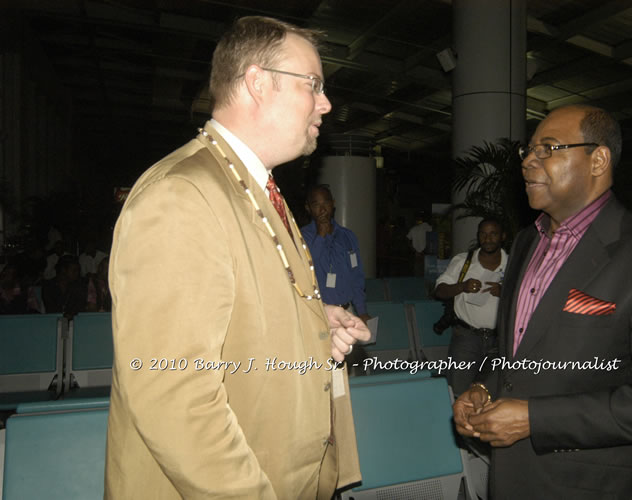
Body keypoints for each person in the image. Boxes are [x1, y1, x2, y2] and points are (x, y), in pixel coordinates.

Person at [105, 16, 370, 499]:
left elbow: (242, 309)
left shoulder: (256, 189)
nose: (326, 103)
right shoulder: (182, 195)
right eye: (314, 84)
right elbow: (174, 395)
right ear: (257, 83)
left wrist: (310, 325)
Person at [453, 105, 632, 499]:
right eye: (529, 150)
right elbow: (519, 352)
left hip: (593, 485)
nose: (528, 163)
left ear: (598, 160)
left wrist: (535, 419)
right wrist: (484, 389)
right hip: (512, 477)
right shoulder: (526, 242)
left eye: (549, 148)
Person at [434, 218, 508, 395]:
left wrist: (505, 292)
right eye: (483, 234)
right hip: (466, 338)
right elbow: (439, 291)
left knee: (493, 395)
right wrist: (462, 286)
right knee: (459, 392)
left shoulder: (512, 263)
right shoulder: (463, 261)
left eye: (493, 234)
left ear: (502, 237)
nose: (487, 238)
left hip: (499, 341)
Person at [302, 185, 370, 322]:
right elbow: (305, 269)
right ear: (308, 208)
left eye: (326, 202)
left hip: (347, 311)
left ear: (333, 203)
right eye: (316, 204)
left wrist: (361, 311)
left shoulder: (347, 236)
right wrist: (320, 237)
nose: (322, 209)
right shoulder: (302, 236)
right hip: (320, 314)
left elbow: (356, 275)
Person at [407, 211, 432, 276]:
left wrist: (414, 250)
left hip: (416, 253)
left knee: (417, 272)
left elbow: (408, 240)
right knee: (425, 272)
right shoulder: (426, 226)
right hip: (424, 252)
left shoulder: (413, 229)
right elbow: (433, 235)